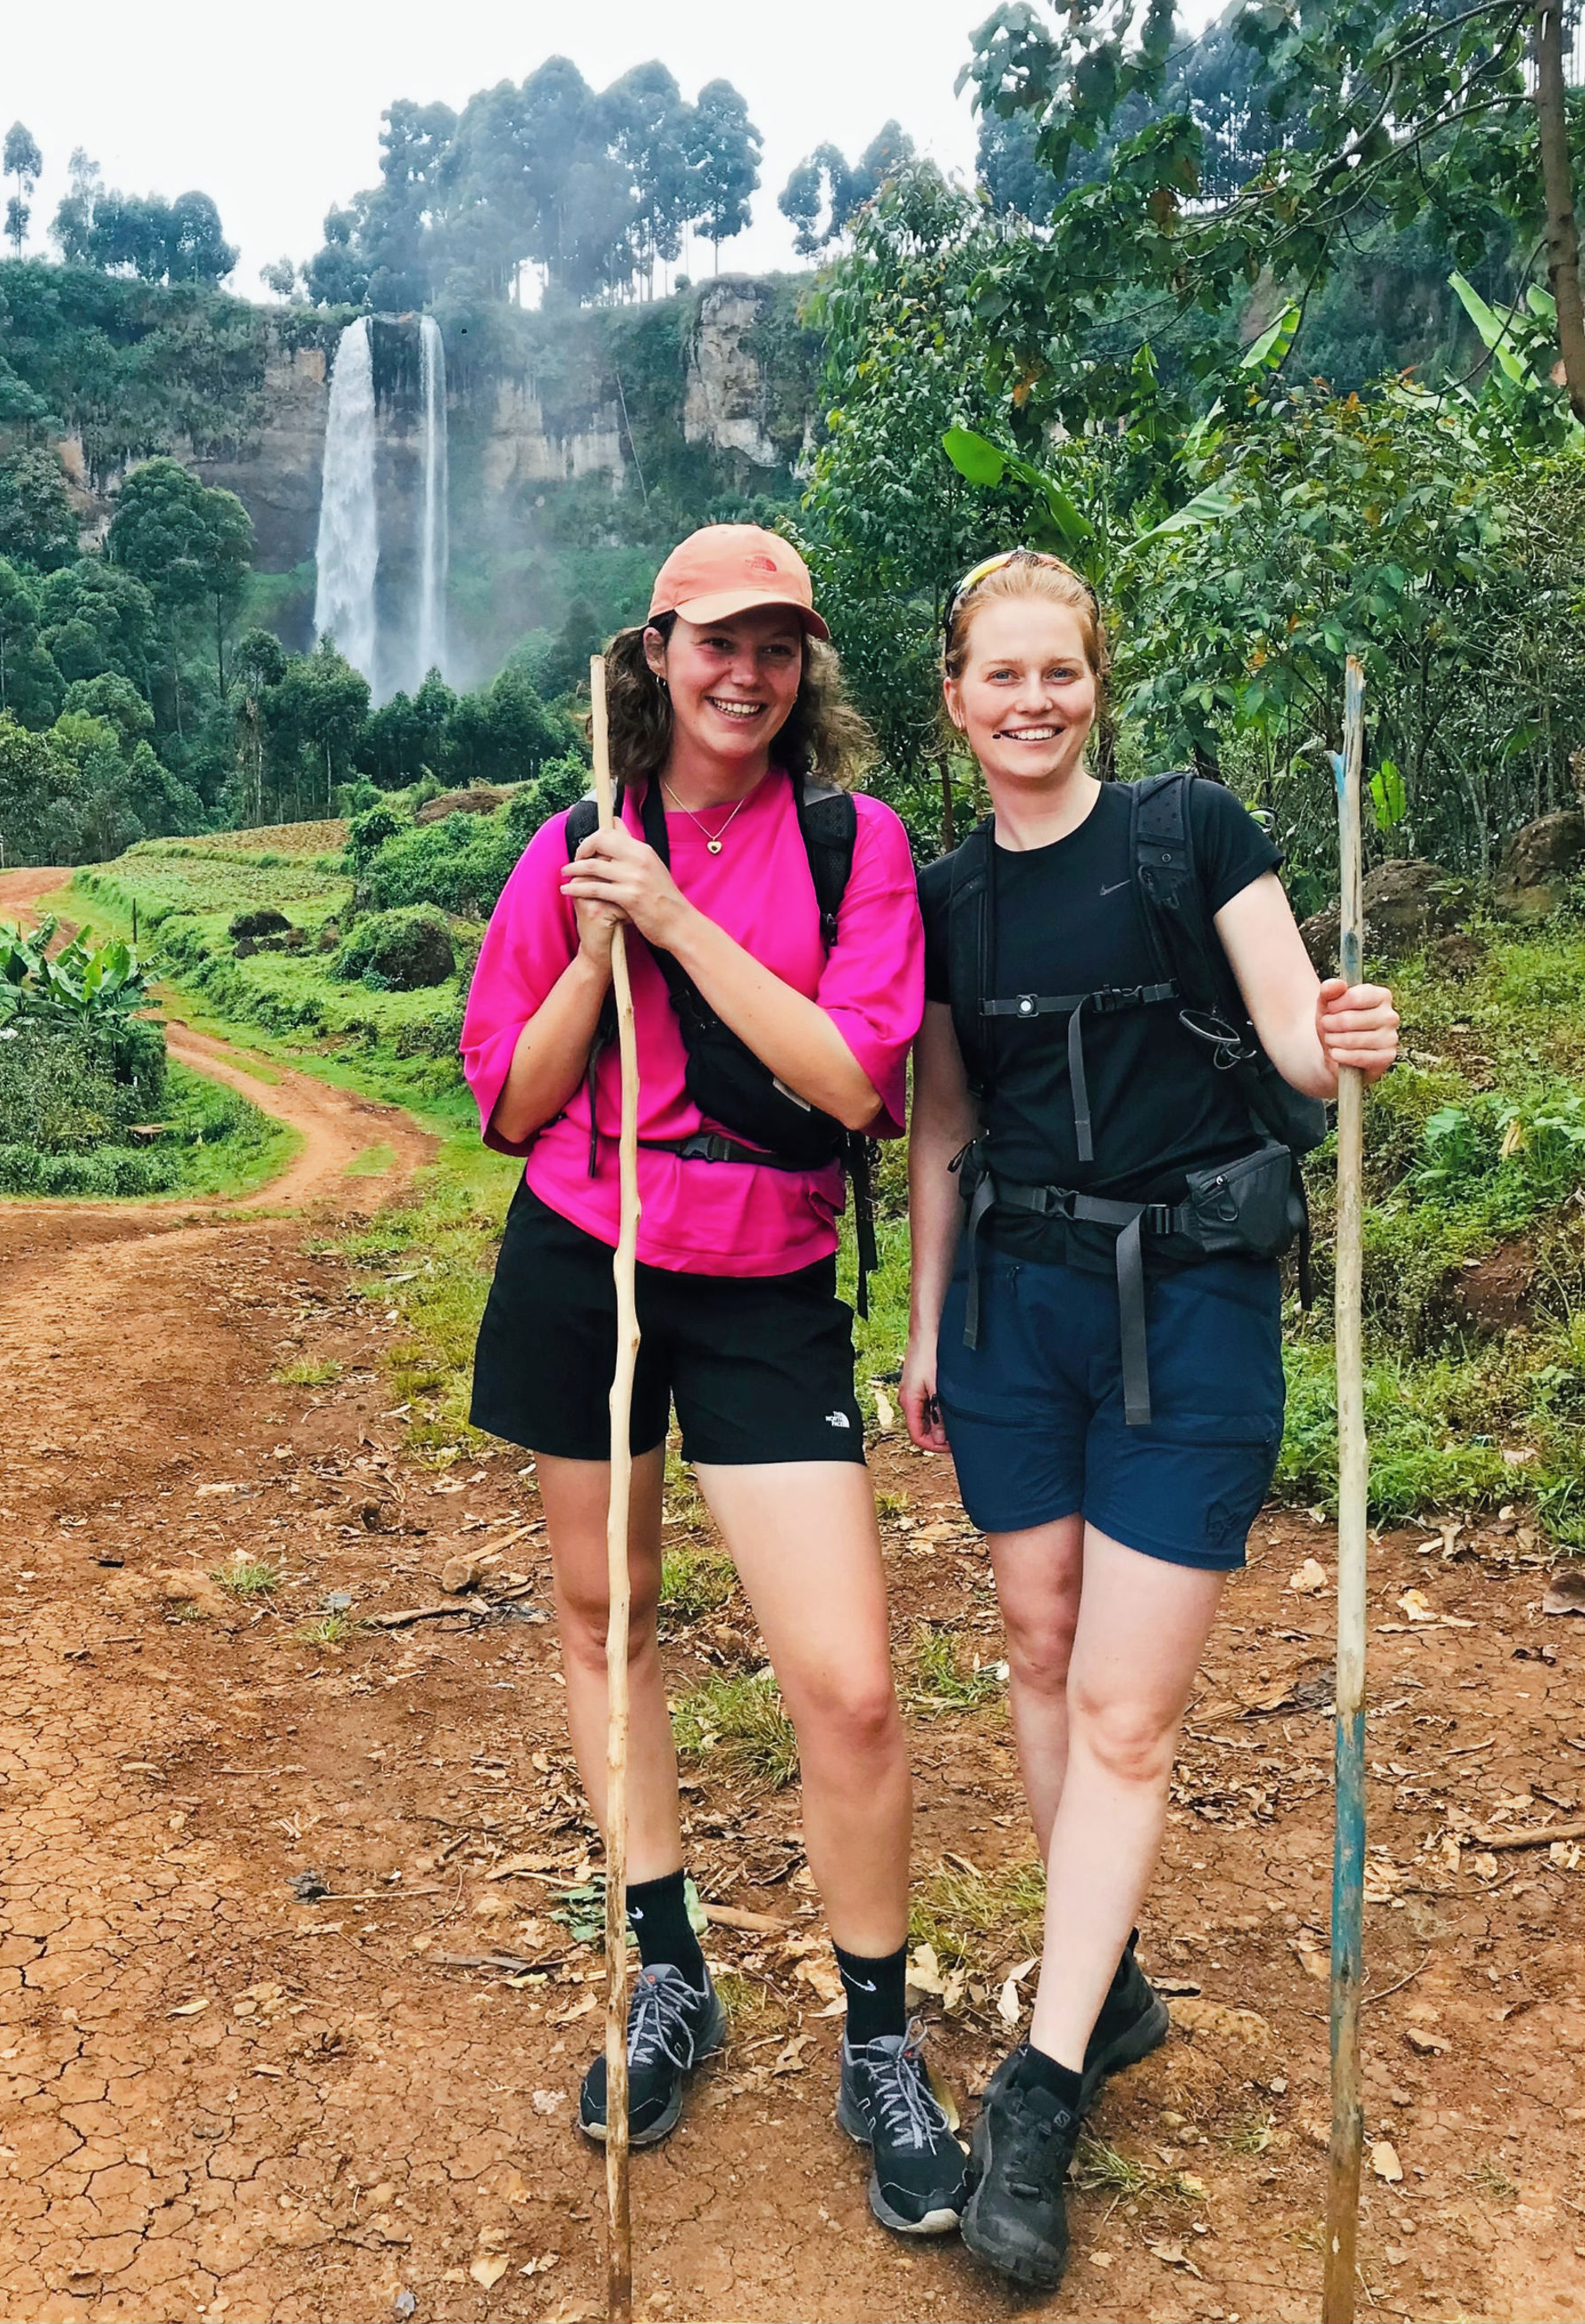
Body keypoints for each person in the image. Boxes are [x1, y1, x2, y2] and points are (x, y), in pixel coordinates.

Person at [899, 549, 1400, 2292]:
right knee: (1036, 1647)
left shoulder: (1198, 832)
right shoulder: (946, 899)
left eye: (1062, 672)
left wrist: (1351, 1034)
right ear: (954, 700)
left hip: (1190, 1307)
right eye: (1001, 677)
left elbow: (1301, 1044)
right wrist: (921, 1333)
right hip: (1013, 1313)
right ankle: (1108, 1988)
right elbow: (947, 1124)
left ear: (1092, 684)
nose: (1033, 701)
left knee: (1120, 1710)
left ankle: (1042, 2083)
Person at [461, 526, 968, 2239]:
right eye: (713, 643)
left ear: (800, 667)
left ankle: (880, 2037)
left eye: (774, 647)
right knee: (607, 1623)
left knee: (848, 1682)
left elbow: (847, 1078)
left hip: (762, 1278)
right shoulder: (570, 848)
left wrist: (676, 920)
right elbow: (515, 1102)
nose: (742, 674)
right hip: (581, 1252)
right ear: (655, 652)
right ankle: (667, 1968)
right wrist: (601, 949)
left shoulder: (855, 846)